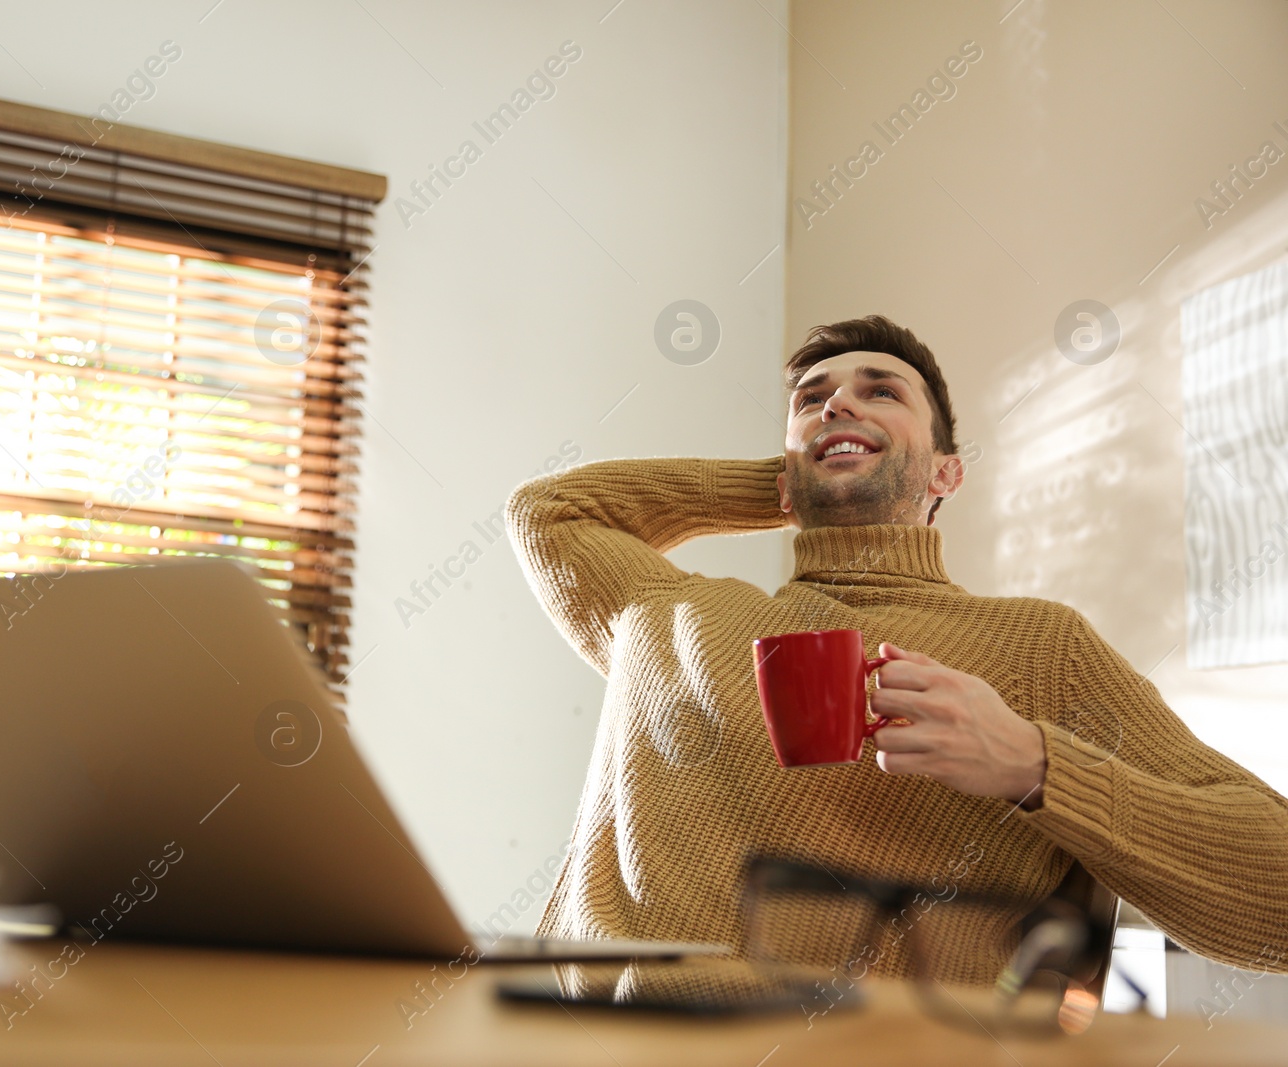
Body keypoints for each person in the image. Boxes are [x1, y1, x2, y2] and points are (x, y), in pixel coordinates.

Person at [506, 315, 1288, 987]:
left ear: (949, 470)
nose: (837, 400)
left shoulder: (1039, 645)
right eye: (812, 399)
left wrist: (1032, 761)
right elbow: (550, 511)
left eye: (882, 391)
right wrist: (803, 471)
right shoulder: (672, 615)